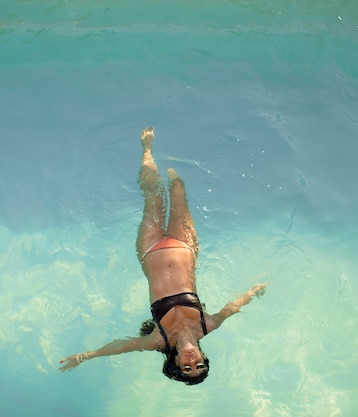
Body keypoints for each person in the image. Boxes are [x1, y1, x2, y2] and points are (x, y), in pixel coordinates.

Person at [58, 127, 268, 385]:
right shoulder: (208, 325)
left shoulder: (159, 338)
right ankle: (177, 156)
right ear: (203, 356)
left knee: (153, 197)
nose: (192, 362)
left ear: (176, 362)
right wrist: (254, 291)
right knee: (177, 188)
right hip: (185, 246)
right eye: (199, 365)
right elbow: (231, 308)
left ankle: (147, 149)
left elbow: (122, 346)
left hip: (150, 248)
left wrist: (84, 356)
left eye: (187, 368)